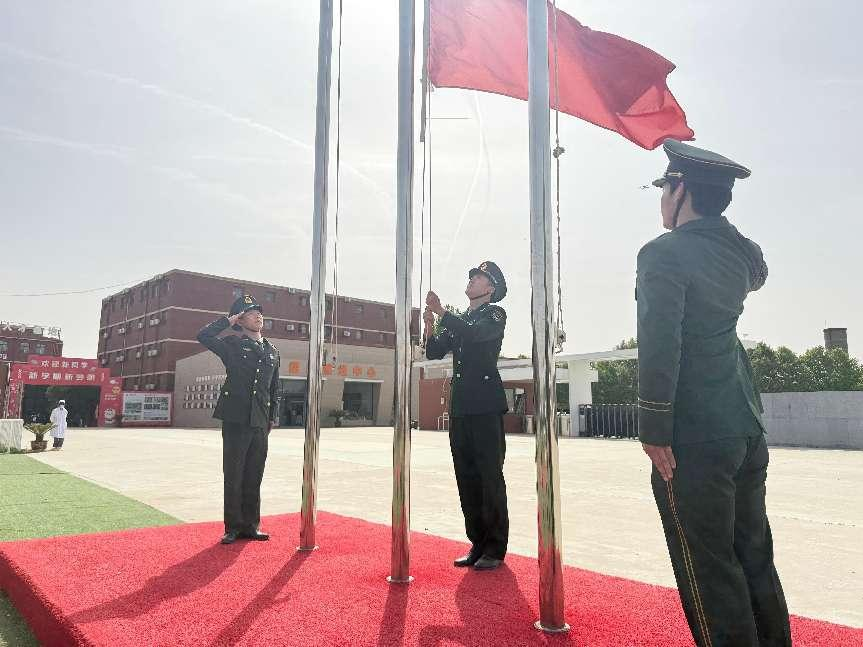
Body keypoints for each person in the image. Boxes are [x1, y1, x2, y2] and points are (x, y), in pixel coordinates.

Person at [637, 139, 791, 646]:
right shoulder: (738, 254)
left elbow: (660, 343)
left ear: (680, 190)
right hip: (744, 424)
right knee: (754, 554)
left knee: (708, 565)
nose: (661, 200)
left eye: (665, 188)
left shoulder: (662, 254)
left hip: (694, 432)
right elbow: (758, 267)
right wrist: (718, 217)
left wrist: (654, 426)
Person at [424, 261, 509, 571]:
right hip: (461, 407)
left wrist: (443, 312)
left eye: (479, 277)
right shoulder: (460, 319)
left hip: (485, 407)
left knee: (489, 476)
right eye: (471, 276)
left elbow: (474, 334)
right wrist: (431, 325)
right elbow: (434, 351)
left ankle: (495, 548)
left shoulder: (494, 315)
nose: (472, 280)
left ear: (491, 288)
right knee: (466, 477)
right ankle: (477, 543)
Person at [197, 294, 281, 545]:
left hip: (260, 420)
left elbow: (275, 388)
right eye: (251, 313)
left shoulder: (272, 351)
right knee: (234, 474)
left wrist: (273, 417)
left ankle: (251, 526)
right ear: (240, 320)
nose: (258, 316)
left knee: (254, 474)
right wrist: (227, 321)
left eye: (259, 312)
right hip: (236, 418)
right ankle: (233, 527)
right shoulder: (232, 345)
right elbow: (204, 336)